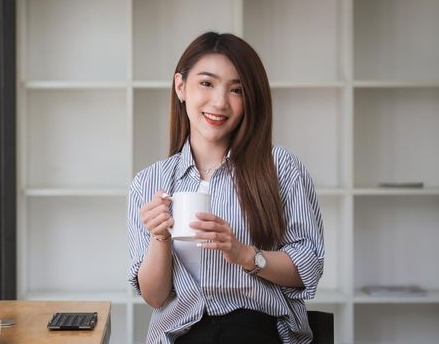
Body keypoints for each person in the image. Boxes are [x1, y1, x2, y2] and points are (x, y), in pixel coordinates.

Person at [127, 32, 325, 344]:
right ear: (181, 87)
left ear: (250, 100)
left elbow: (309, 266)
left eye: (237, 90)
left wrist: (244, 254)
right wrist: (159, 237)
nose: (220, 102)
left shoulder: (281, 168)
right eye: (206, 83)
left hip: (257, 329)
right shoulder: (149, 182)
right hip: (181, 335)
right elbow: (155, 298)